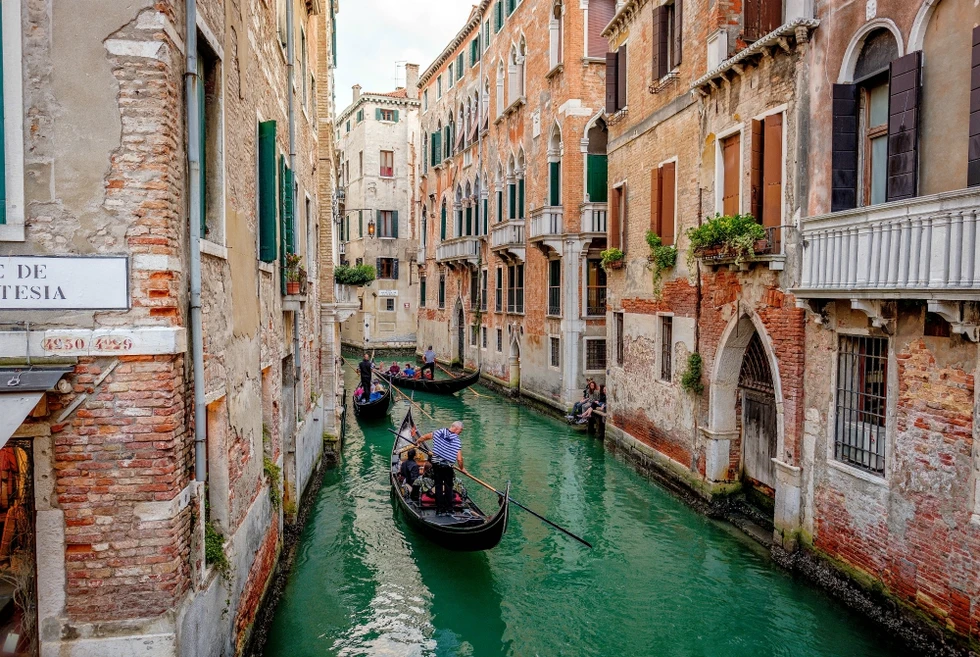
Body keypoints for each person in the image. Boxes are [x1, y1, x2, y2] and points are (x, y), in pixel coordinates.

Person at [413, 421, 465, 515]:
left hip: (437, 466)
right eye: (460, 431)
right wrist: (462, 468)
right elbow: (460, 459)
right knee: (449, 487)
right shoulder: (456, 441)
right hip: (448, 467)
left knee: (439, 487)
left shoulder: (439, 432)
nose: (460, 433)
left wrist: (418, 441)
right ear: (456, 428)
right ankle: (449, 509)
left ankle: (440, 510)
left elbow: (425, 437)